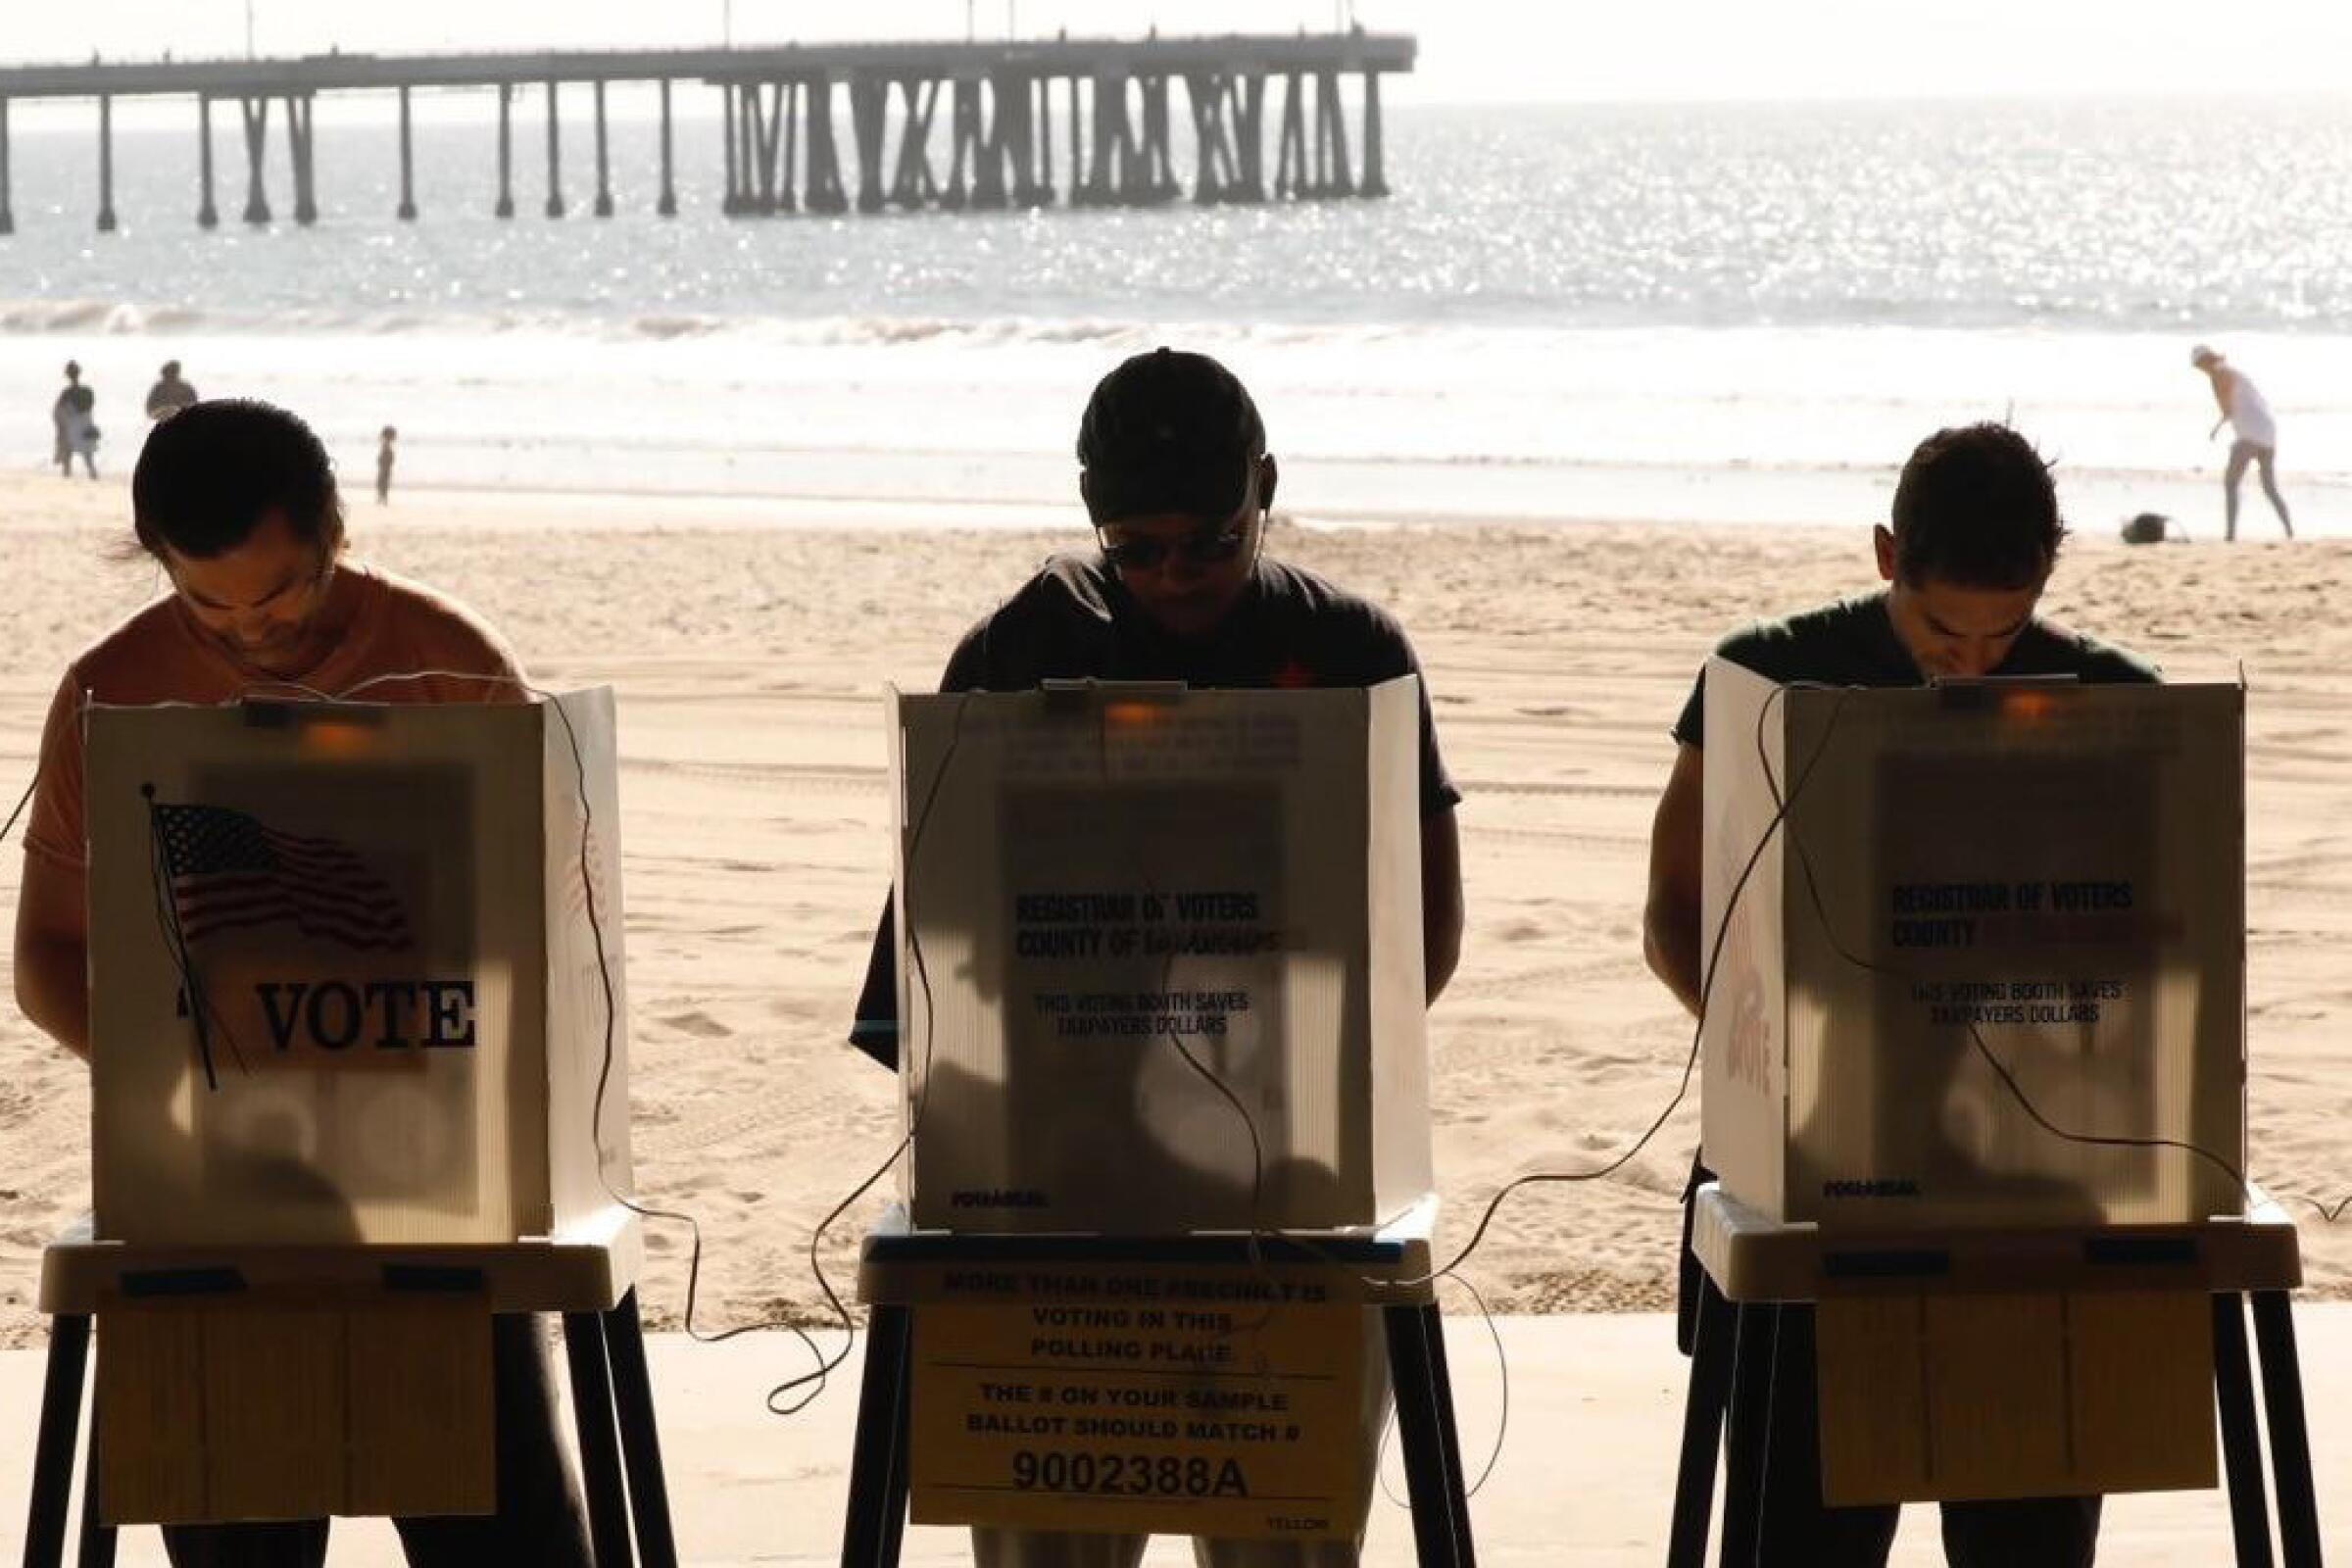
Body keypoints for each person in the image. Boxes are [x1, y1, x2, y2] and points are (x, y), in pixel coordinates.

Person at [848, 347, 1466, 1568]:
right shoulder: (1023, 647)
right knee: (1053, 1534)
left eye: (1210, 543)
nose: (1175, 576)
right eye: (1138, 549)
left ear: (1267, 490)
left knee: (1284, 1524)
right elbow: (934, 965)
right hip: (1057, 1172)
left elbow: (1423, 936)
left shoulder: (1351, 649)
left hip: (1292, 1165)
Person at [13, 399, 596, 1568]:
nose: (249, 634)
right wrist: (190, 1071)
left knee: (509, 1535)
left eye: (280, 599)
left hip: (433, 1174)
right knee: (242, 1525)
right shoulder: (106, 691)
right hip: (209, 1176)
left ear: (334, 532)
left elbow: (547, 941)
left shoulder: (452, 665)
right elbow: (44, 961)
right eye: (206, 603)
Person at [1641, 422, 2156, 1568]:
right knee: (1800, 1537)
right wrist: (1759, 1047)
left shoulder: (2115, 696)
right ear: (1887, 556)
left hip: (2032, 1184)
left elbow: (2158, 943)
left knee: (2026, 1536)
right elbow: (1674, 911)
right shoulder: (1765, 672)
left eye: (2004, 631)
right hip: (1803, 1166)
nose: (1970, 663)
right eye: (1939, 629)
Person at [2191, 344, 2293, 541]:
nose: (2200, 370)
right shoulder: (2232, 371)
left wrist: (2217, 428)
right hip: (2268, 431)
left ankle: (2230, 535)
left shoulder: (2217, 375)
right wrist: (2219, 426)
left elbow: (2227, 408)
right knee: (2269, 486)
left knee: (2231, 483)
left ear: (2205, 361)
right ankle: (2289, 529)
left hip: (2249, 434)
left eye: (2199, 365)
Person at [53, 361, 98, 479]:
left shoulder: (67, 393)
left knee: (67, 453)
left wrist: (60, 429)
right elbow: (90, 407)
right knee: (88, 456)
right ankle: (93, 475)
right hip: (86, 425)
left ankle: (67, 476)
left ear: (68, 375)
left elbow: (58, 411)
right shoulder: (87, 391)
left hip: (72, 426)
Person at [378, 423, 399, 504]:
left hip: (385, 466)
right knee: (384, 481)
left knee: (383, 481)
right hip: (386, 466)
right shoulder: (386, 446)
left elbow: (385, 457)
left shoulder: (386, 446)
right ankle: (383, 497)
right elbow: (389, 458)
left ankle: (383, 497)